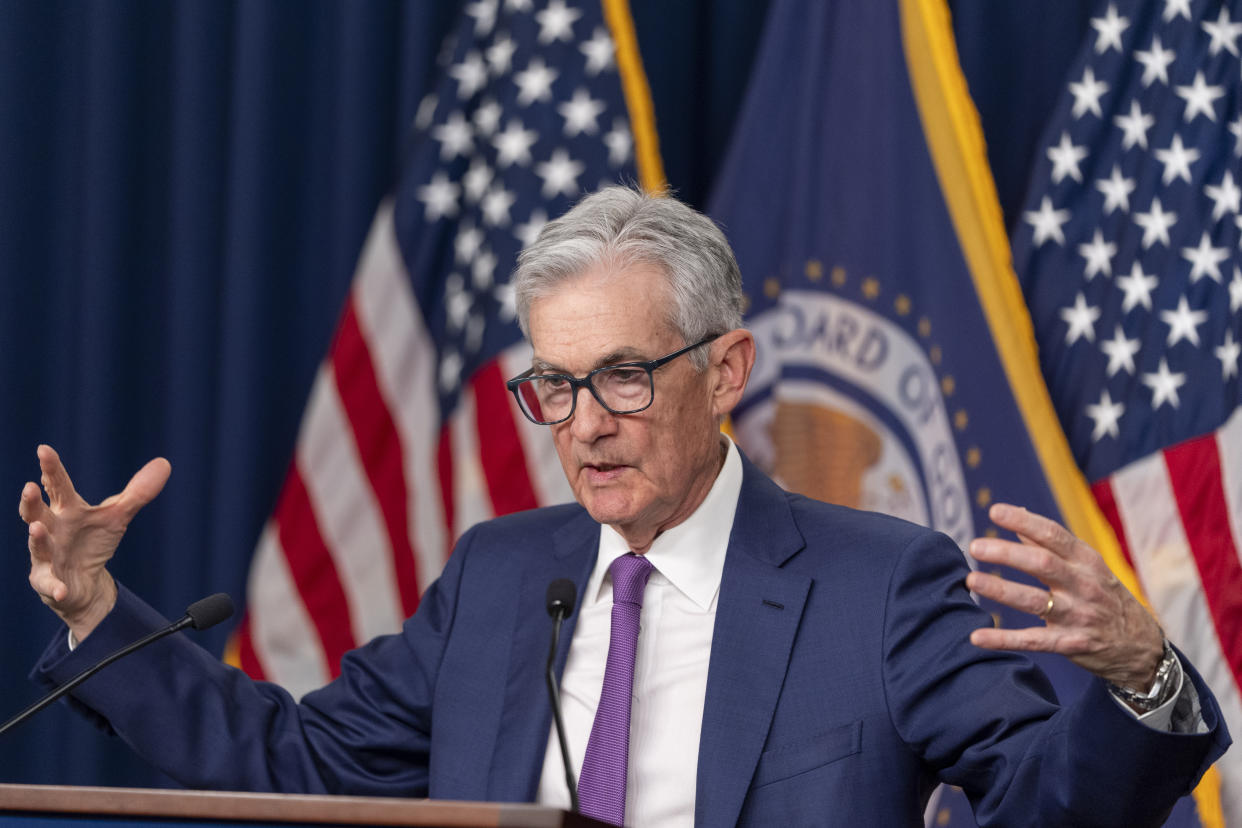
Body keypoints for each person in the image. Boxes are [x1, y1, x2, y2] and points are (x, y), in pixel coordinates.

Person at [23, 187, 1228, 827]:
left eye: (623, 377)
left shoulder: (881, 585)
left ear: (726, 371)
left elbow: (1043, 813)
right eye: (554, 384)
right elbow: (301, 766)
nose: (585, 422)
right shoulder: (500, 577)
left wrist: (1140, 679)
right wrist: (96, 613)